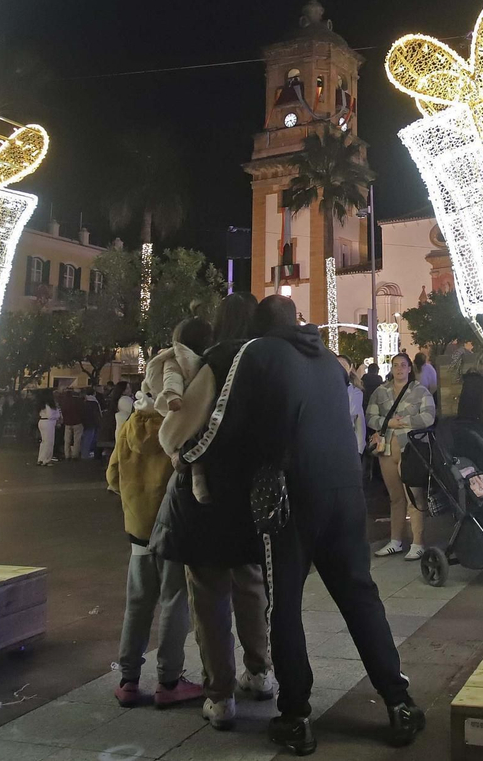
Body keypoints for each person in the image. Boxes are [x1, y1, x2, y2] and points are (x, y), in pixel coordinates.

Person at [181, 293, 423, 754]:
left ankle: (296, 714)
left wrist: (186, 455)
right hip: (347, 494)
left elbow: (221, 422)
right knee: (360, 595)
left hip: (292, 497)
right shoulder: (331, 364)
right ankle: (398, 701)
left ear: (259, 323)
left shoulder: (257, 353)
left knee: (284, 605)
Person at [153, 297, 276, 732]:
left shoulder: (216, 360)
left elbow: (183, 423)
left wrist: (174, 447)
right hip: (254, 494)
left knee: (208, 597)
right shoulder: (270, 360)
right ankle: (260, 674)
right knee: (251, 585)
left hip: (209, 496)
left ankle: (220, 694)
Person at [105, 330, 205, 710]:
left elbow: (112, 478)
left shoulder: (130, 425)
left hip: (137, 533)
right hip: (171, 530)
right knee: (174, 603)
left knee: (137, 605)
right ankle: (169, 680)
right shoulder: (175, 429)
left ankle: (128, 680)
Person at [365, 353, 437, 561]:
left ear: (409, 368)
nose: (399, 369)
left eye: (403, 365)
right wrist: (388, 424)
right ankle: (395, 539)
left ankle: (418, 541)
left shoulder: (420, 391)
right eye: (396, 365)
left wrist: (403, 421)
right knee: (395, 497)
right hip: (386, 451)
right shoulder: (381, 391)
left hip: (411, 450)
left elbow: (429, 416)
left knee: (414, 496)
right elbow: (370, 416)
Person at [339, 355, 367, 453]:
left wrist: (359, 449)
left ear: (350, 368)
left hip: (347, 442)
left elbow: (356, 416)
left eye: (343, 365)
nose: (340, 369)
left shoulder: (355, 391)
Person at [59, 388, 84, 459]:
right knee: (77, 439)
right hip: (77, 422)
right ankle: (75, 455)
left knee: (67, 439)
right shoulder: (79, 401)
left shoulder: (65, 402)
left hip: (67, 422)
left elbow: (63, 411)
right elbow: (82, 412)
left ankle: (67, 454)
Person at [35, 391, 58, 465]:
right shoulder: (49, 405)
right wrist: (56, 417)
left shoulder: (42, 405)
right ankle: (47, 460)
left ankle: (41, 458)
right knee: (49, 442)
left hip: (42, 421)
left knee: (44, 441)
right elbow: (51, 415)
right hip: (49, 423)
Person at [80, 387, 101, 460]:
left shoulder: (84, 401)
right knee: (89, 438)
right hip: (92, 422)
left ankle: (85, 453)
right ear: (94, 393)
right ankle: (85, 454)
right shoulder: (94, 402)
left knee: (86, 438)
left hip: (86, 422)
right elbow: (97, 414)